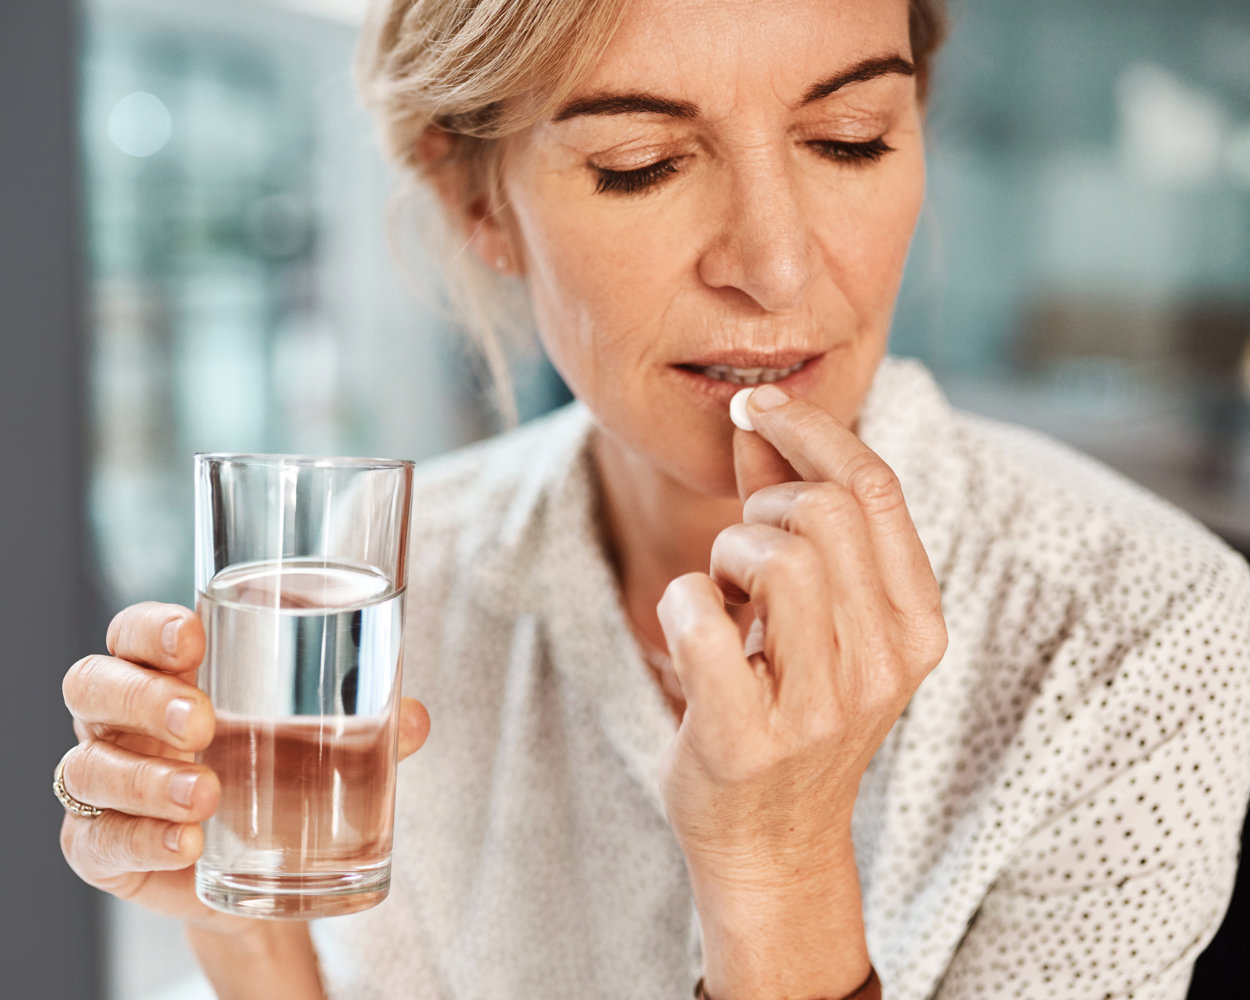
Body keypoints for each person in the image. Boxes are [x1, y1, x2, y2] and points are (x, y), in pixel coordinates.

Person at [57, 1, 1250, 998]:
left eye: (847, 139)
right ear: (477, 200)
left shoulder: (1135, 632)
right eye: (644, 164)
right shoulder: (384, 601)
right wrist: (246, 937)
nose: (775, 266)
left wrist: (777, 871)